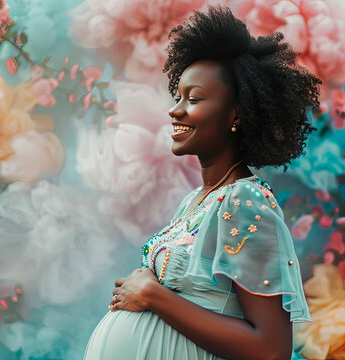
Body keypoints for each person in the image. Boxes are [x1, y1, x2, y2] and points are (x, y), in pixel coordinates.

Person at [84, 5, 321, 360]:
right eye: (178, 96)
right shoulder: (197, 199)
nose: (175, 110)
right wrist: (142, 288)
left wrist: (153, 296)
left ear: (236, 114)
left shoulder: (245, 202)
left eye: (193, 99)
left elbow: (271, 349)